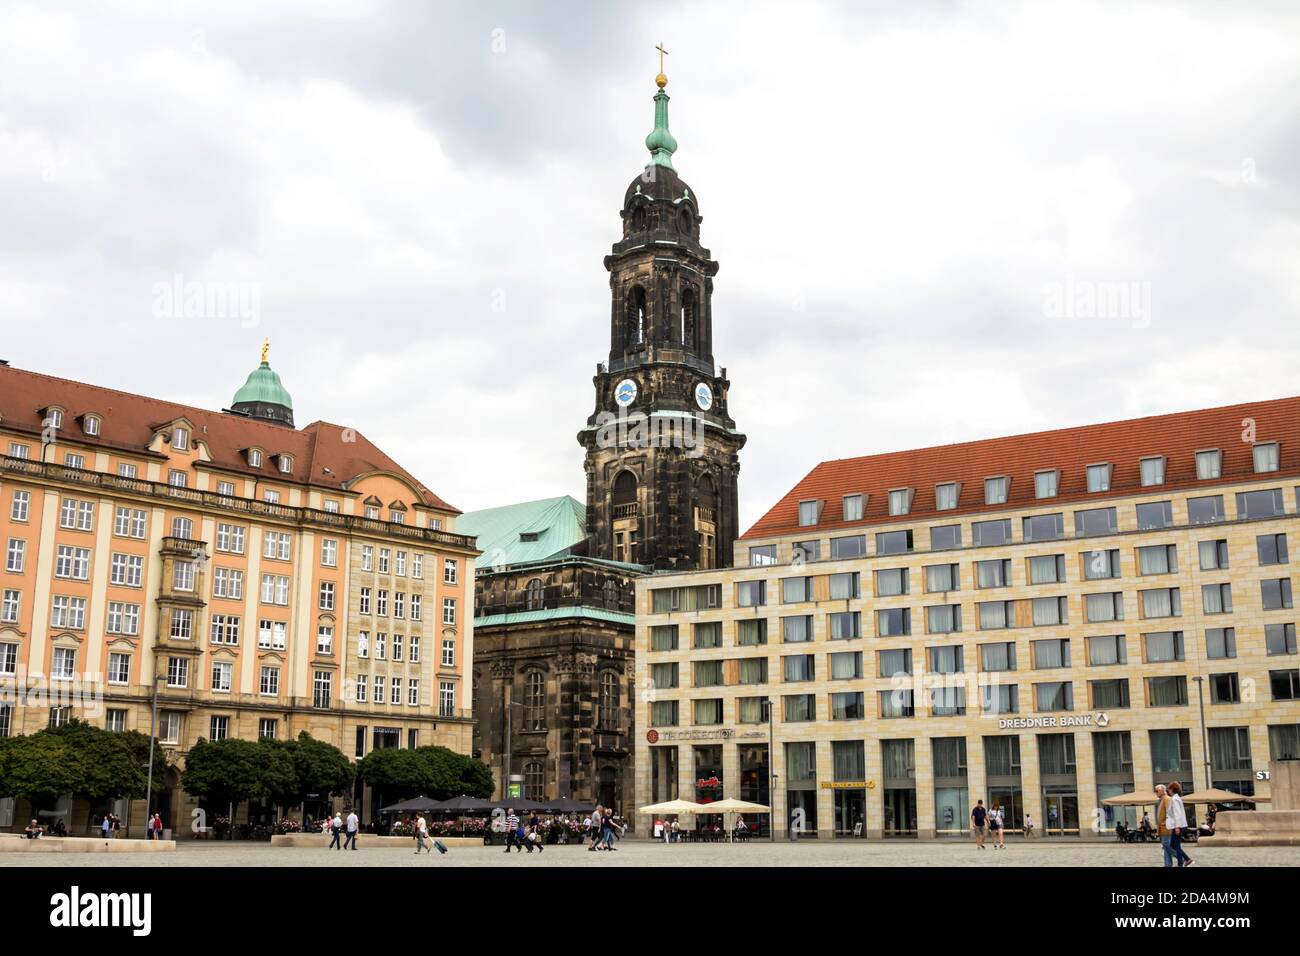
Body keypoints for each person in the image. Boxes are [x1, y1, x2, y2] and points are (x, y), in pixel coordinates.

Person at [1166, 781, 1193, 868]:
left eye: (1168, 789)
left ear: (1171, 789)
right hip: (1178, 825)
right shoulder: (1176, 798)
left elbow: (1177, 814)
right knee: (1173, 845)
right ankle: (1187, 859)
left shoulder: (1174, 799)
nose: (1168, 791)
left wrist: (1177, 827)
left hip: (1178, 826)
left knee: (1175, 845)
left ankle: (1181, 863)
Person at [1155, 783, 1172, 867]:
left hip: (1166, 828)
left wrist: (1166, 821)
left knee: (1167, 846)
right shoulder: (1161, 800)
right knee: (1165, 847)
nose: (1156, 793)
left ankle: (1183, 858)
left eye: (1156, 791)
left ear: (1162, 791)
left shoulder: (1167, 799)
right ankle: (1167, 864)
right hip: (1162, 828)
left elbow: (1170, 812)